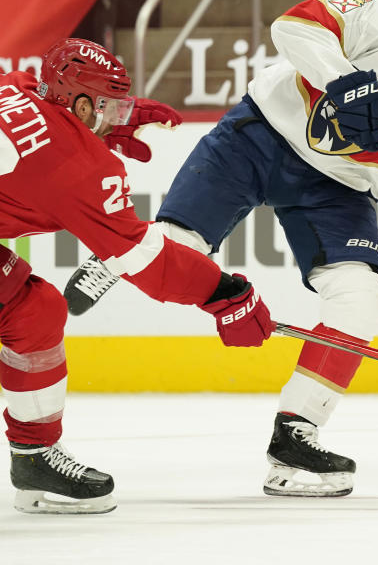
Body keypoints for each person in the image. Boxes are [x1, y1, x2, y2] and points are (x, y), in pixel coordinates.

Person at [63, 0, 378, 497]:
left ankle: (296, 435)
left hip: (338, 187)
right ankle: (119, 257)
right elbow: (294, 25)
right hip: (260, 136)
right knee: (178, 244)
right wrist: (345, 80)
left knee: (359, 298)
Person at [0, 38, 274, 515]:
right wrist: (223, 293)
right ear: (81, 103)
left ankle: (34, 457)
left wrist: (105, 122)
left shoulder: (19, 85)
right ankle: (35, 454)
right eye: (108, 107)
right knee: (31, 311)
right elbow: (149, 264)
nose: (116, 116)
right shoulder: (78, 167)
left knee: (33, 310)